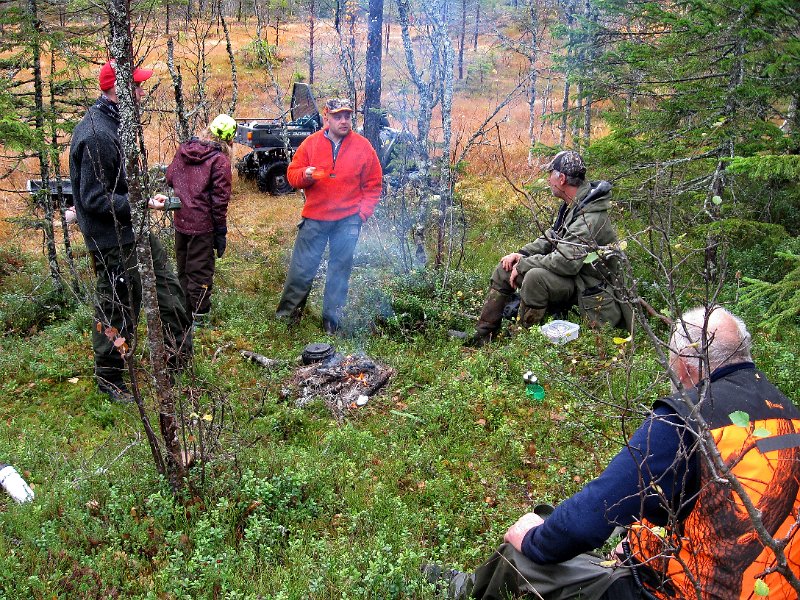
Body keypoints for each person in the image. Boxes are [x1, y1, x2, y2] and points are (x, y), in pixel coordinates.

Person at [432, 306, 800, 599]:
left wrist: (531, 540)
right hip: (775, 583)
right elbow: (721, 511)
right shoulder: (789, 413)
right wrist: (642, 538)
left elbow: (590, 516)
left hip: (691, 589)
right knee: (620, 527)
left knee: (528, 549)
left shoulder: (686, 420)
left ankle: (465, 589)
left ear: (687, 367)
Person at [69, 60, 192, 403]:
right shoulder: (97, 135)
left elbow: (115, 186)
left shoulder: (115, 125)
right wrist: (139, 205)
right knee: (117, 305)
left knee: (167, 287)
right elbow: (94, 198)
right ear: (116, 89)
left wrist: (138, 199)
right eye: (135, 86)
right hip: (111, 239)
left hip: (131, 231)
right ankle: (109, 378)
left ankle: (178, 359)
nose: (141, 91)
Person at [466, 150, 626, 347]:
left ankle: (521, 344)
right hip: (573, 275)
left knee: (535, 278)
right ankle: (483, 335)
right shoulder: (575, 204)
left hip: (586, 283)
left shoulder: (589, 217)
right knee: (504, 268)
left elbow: (566, 262)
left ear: (562, 179)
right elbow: (553, 236)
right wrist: (521, 255)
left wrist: (524, 264)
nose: (548, 179)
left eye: (550, 174)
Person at [276, 97, 383, 334]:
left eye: (347, 116)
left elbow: (374, 184)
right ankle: (287, 320)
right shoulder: (311, 144)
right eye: (337, 116)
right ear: (327, 118)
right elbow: (292, 175)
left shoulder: (363, 146)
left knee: (339, 272)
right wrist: (306, 174)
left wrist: (361, 215)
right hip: (315, 217)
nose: (343, 121)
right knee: (301, 269)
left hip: (347, 221)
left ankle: (331, 322)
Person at [166, 114, 235, 329]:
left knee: (184, 269)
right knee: (200, 271)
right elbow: (219, 201)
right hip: (202, 226)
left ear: (209, 130)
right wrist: (220, 232)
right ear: (229, 140)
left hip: (181, 221)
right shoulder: (220, 160)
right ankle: (200, 322)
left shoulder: (184, 149)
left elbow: (170, 177)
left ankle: (184, 313)